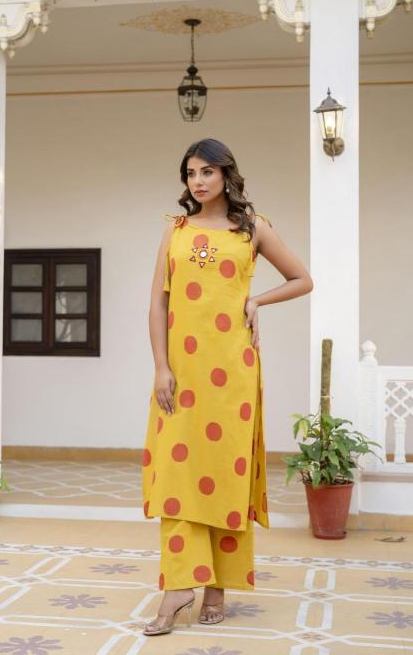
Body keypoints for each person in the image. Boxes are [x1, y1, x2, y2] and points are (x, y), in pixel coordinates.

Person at [141, 138, 313, 636]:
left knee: (223, 472)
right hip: (182, 373)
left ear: (225, 175)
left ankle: (217, 586)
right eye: (190, 173)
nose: (197, 181)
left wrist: (257, 301)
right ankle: (179, 586)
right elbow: (158, 304)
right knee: (178, 473)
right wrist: (161, 367)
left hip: (232, 372)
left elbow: (302, 279)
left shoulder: (253, 228)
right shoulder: (175, 230)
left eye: (206, 172)